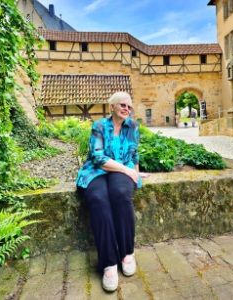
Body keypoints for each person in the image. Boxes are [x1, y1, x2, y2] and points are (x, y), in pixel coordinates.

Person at [76, 91, 150, 292]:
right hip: (97, 170)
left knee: (119, 193)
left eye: (129, 106)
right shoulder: (99, 126)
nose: (127, 109)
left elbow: (133, 154)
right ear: (112, 107)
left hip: (122, 169)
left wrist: (135, 173)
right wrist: (126, 169)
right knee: (98, 198)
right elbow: (98, 158)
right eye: (122, 105)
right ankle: (108, 263)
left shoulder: (133, 127)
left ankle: (127, 253)